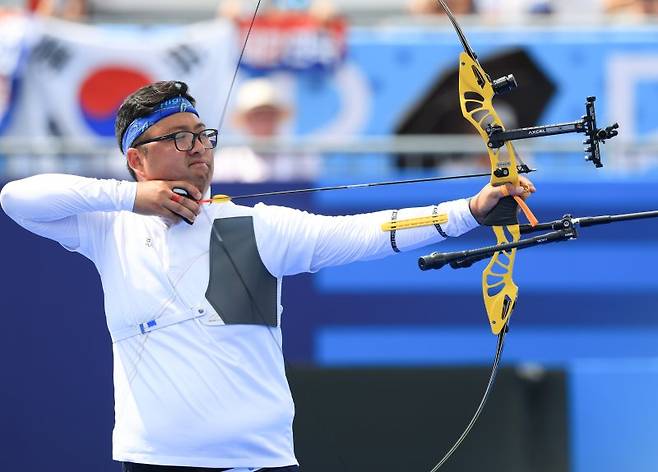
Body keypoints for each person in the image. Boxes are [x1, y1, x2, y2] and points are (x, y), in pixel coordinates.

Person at [0, 80, 535, 472]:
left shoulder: (255, 227)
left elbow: (365, 233)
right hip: (153, 462)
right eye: (179, 138)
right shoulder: (107, 228)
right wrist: (131, 197)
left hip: (260, 462)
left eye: (202, 135)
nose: (200, 148)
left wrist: (471, 208)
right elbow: (16, 198)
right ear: (137, 160)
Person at [214, 77, 320, 182]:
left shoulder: (300, 157)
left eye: (268, 115)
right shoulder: (227, 159)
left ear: (277, 118)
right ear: (246, 120)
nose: (263, 122)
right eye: (257, 116)